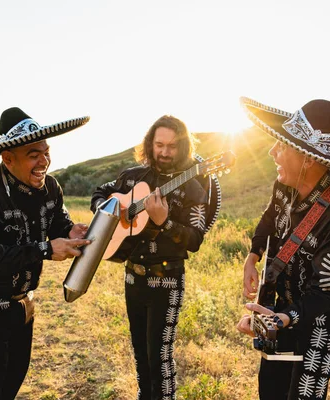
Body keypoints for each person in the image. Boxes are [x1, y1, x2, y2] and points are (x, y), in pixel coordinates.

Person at [236, 97, 330, 400]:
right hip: (280, 306)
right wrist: (253, 256)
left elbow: (326, 295)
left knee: (300, 394)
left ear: (308, 159)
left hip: (319, 324)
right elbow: (269, 220)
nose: (272, 151)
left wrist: (277, 320)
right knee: (271, 389)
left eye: (282, 146)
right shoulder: (284, 185)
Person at [0, 107, 91, 399]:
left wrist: (71, 232)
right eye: (33, 154)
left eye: (46, 151)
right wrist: (46, 249)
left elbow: (58, 224)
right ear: (8, 158)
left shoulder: (50, 187)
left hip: (22, 305)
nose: (44, 161)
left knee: (11, 386)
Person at [91, 115, 221, 400]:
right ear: (149, 145)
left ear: (183, 147)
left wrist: (165, 223)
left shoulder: (195, 185)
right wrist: (110, 210)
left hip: (167, 281)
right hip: (132, 276)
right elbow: (100, 193)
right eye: (159, 144)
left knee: (159, 358)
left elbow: (195, 239)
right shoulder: (132, 177)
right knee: (141, 354)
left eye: (172, 146)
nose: (164, 152)